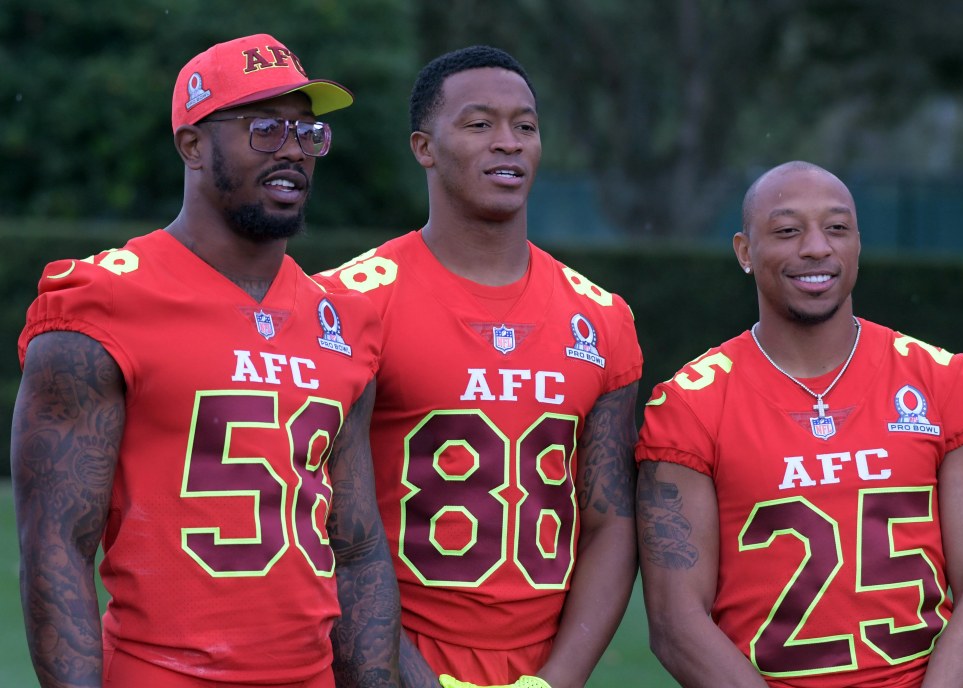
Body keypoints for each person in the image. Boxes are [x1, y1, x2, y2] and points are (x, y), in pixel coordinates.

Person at [11, 33, 401, 688]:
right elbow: (57, 549)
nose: (293, 150)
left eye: (308, 133)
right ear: (191, 144)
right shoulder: (103, 302)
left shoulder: (345, 319)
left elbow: (357, 549)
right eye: (265, 128)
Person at [313, 46, 643, 688]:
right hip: (384, 667)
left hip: (541, 666)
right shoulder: (349, 304)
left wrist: (556, 681)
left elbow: (609, 523)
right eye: (479, 124)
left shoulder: (602, 318)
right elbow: (318, 523)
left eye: (525, 126)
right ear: (423, 147)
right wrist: (403, 673)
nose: (508, 143)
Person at [635, 160, 963, 687]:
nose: (816, 248)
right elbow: (675, 621)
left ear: (857, 243)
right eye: (787, 231)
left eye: (837, 228)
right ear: (744, 251)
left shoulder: (944, 381)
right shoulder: (689, 405)